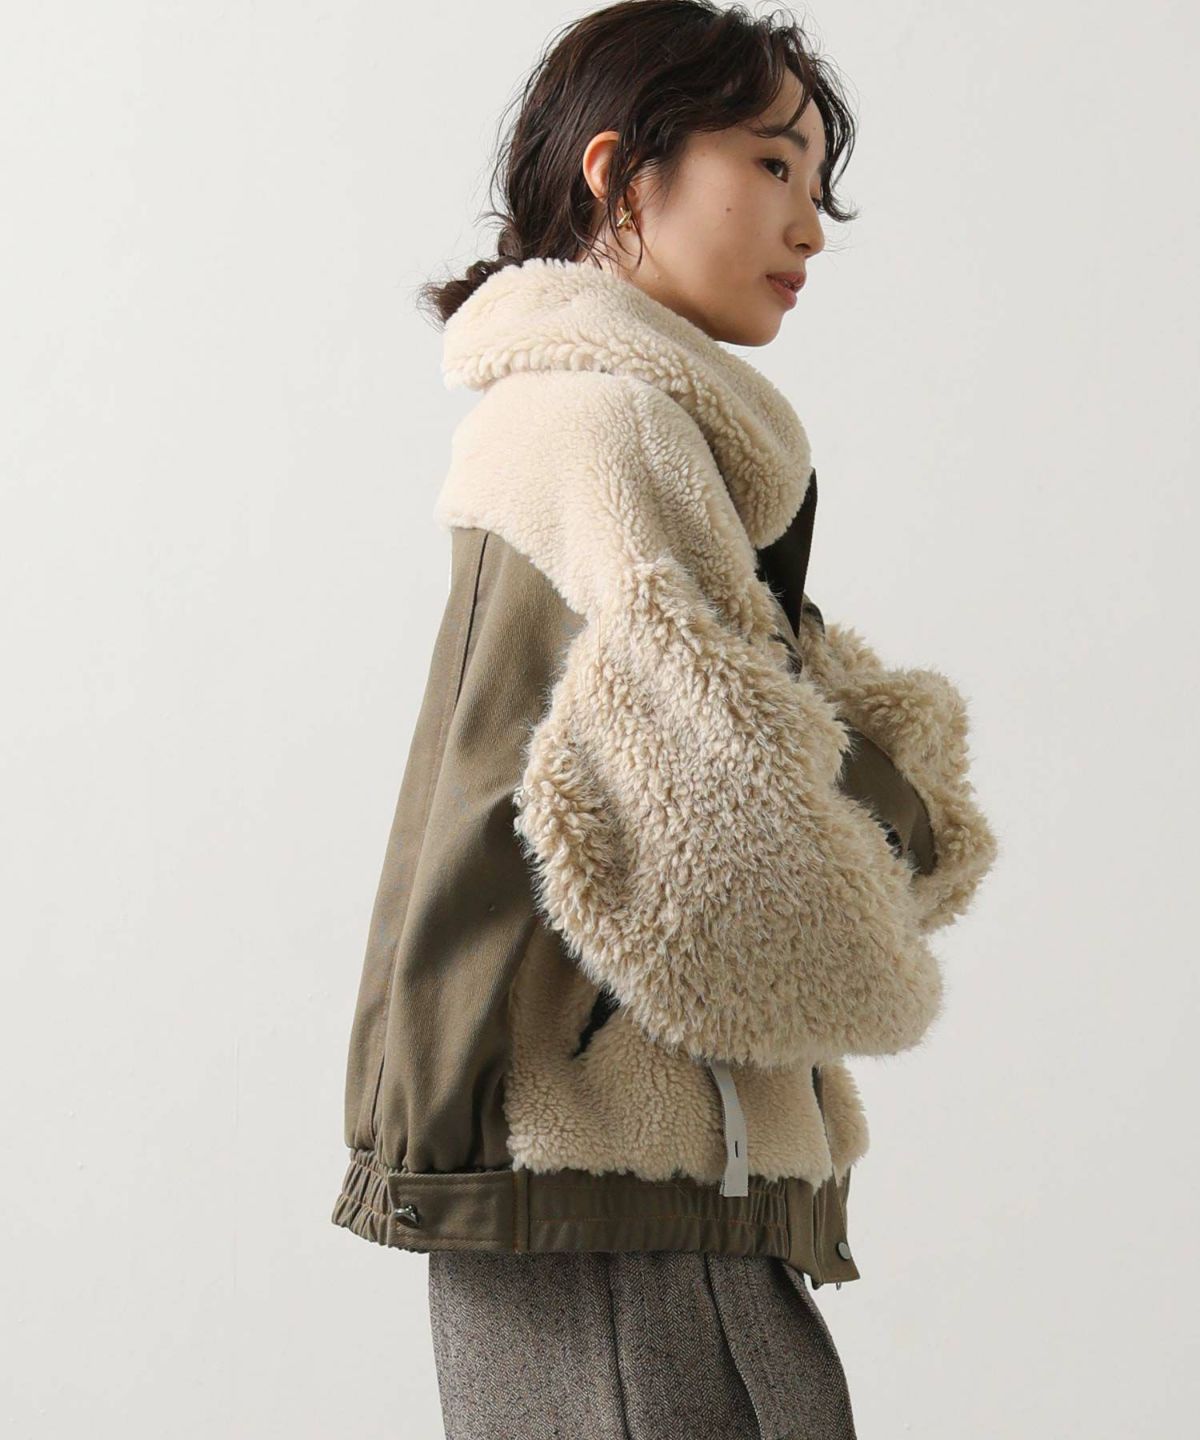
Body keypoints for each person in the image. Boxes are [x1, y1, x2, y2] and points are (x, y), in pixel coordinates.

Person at [330, 3, 999, 1435]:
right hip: (618, 1179)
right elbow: (734, 844)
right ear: (620, 173)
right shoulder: (609, 428)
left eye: (818, 184)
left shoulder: (589, 421)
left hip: (585, 1160)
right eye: (771, 164)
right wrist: (908, 821)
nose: (809, 225)